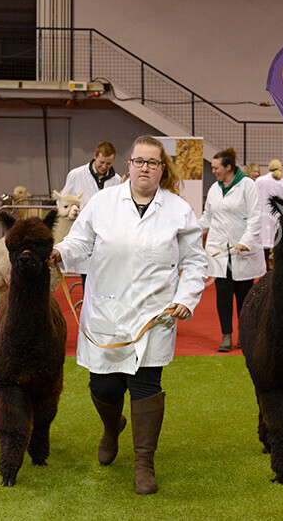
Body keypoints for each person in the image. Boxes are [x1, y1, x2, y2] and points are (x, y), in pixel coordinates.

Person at [49, 135, 208, 495]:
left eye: (153, 163)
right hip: (106, 311)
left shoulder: (178, 210)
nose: (145, 169)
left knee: (146, 387)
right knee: (103, 385)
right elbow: (80, 242)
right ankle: (111, 427)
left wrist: (186, 297)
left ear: (162, 169)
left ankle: (143, 463)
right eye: (139, 161)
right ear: (129, 165)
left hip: (154, 315)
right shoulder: (103, 203)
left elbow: (196, 261)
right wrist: (60, 252)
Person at [200, 147, 265, 352]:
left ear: (229, 167)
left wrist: (245, 241)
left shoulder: (248, 186)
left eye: (216, 167)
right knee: (223, 295)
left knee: (244, 297)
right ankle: (226, 335)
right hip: (220, 251)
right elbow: (207, 218)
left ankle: (245, 336)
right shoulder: (214, 188)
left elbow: (255, 217)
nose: (214, 171)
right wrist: (188, 229)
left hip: (242, 250)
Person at [61, 141, 121, 287]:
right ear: (94, 156)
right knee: (86, 278)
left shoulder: (117, 180)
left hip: (106, 233)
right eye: (101, 162)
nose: (104, 167)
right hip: (84, 230)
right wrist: (71, 212)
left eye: (108, 163)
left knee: (105, 276)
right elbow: (64, 200)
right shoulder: (76, 175)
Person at [254, 158, 283, 269]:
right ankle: (277, 269)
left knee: (263, 247)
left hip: (262, 217)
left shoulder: (259, 181)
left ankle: (264, 270)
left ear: (268, 168)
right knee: (277, 245)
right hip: (278, 218)